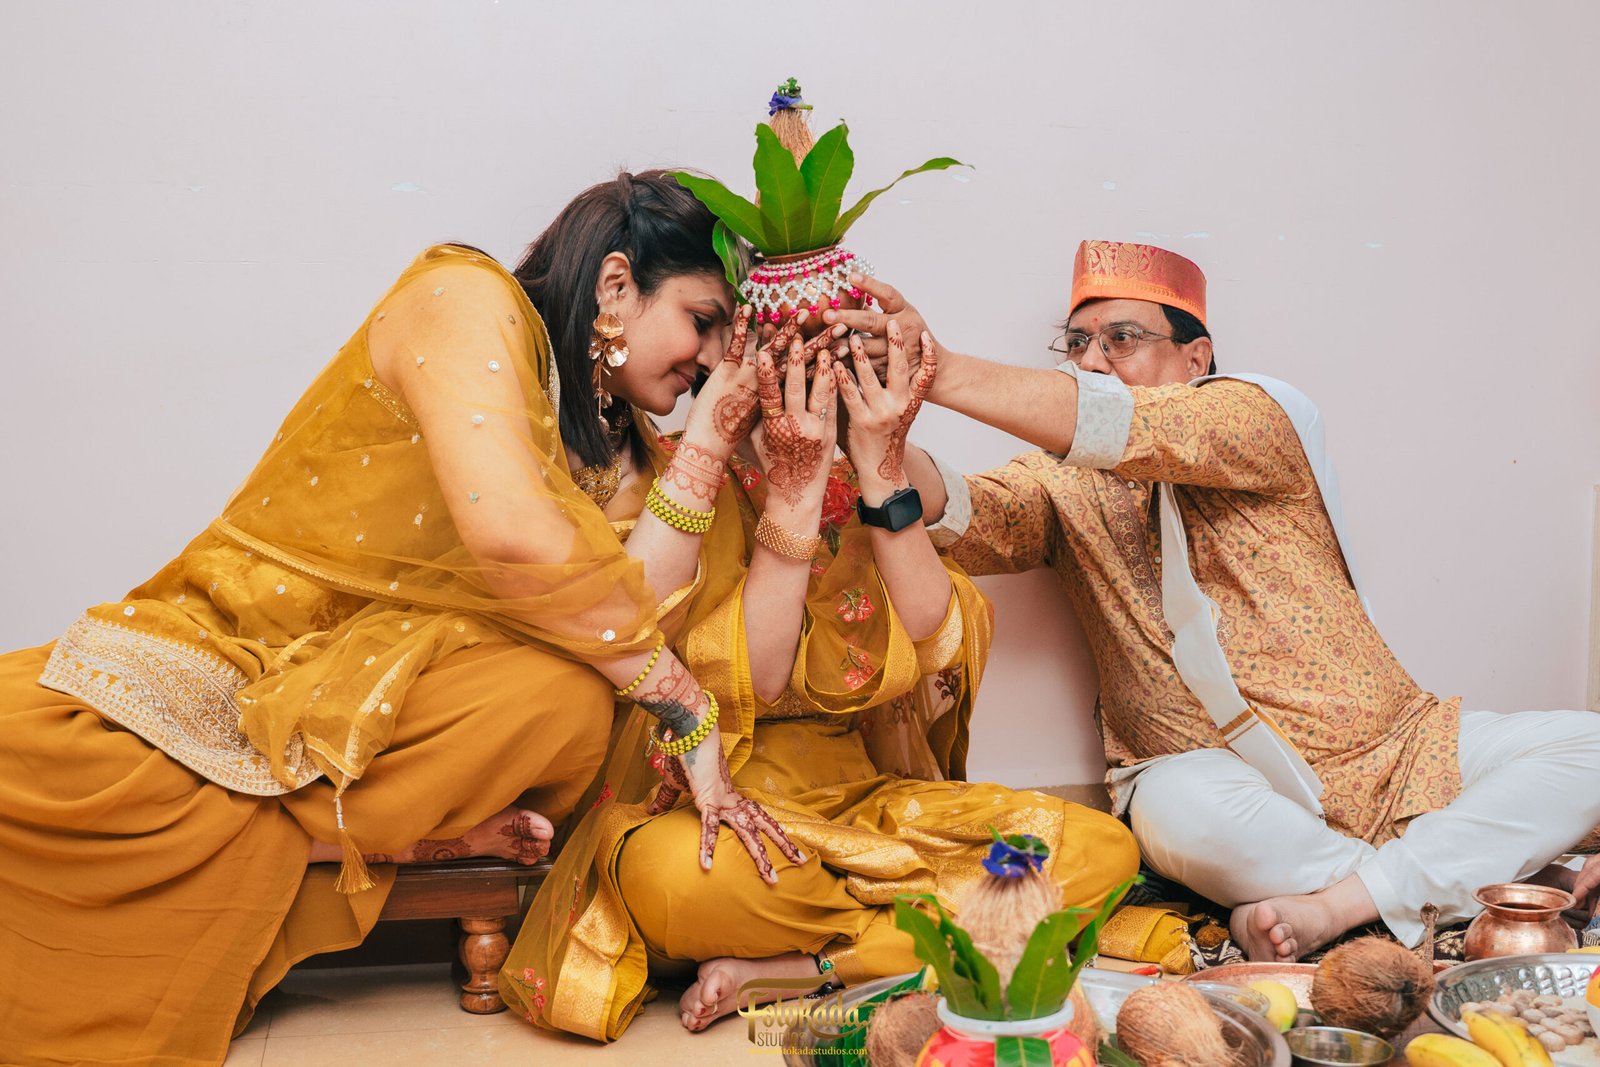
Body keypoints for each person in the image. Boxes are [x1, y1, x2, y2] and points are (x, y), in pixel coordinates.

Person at [0, 170, 826, 1066]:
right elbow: (511, 536)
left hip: (390, 691)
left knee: (569, 702)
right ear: (618, 284)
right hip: (250, 647)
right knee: (46, 762)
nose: (712, 361)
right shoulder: (464, 298)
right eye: (704, 321)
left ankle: (355, 831)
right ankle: (345, 841)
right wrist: (687, 708)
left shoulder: (616, 437)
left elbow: (631, 615)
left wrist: (711, 438)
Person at [820, 239, 1600, 962]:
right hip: (1211, 776)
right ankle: (1466, 883)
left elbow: (1119, 422)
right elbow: (959, 511)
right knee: (1180, 817)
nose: (1091, 358)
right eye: (1078, 341)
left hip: (1397, 751)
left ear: (1196, 356)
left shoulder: (1261, 413)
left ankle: (1338, 907)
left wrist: (934, 367)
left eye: (1122, 337)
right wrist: (872, 426)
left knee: (1588, 746)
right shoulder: (1061, 481)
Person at [501, 318, 1139, 1040]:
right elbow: (757, 680)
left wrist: (881, 468)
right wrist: (793, 498)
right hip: (726, 814)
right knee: (667, 878)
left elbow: (937, 639)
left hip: (871, 802)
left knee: (1102, 851)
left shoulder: (857, 485)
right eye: (782, 357)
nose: (805, 380)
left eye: (826, 360)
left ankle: (815, 967)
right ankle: (924, 937)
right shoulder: (673, 479)